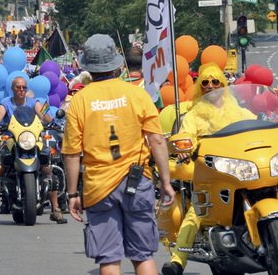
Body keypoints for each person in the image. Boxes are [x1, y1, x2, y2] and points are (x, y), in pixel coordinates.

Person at [62, 34, 174, 275]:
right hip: (137, 181)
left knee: (109, 259)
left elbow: (72, 153)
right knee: (142, 256)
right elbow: (156, 140)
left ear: (89, 68)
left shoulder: (80, 100)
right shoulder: (137, 95)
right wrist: (166, 182)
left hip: (99, 186)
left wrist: (72, 193)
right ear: (117, 64)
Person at [162, 63, 255, 275]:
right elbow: (185, 137)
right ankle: (178, 260)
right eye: (205, 82)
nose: (211, 86)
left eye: (215, 82)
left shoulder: (240, 111)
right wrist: (184, 149)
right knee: (198, 210)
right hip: (212, 175)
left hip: (244, 172)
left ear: (223, 84)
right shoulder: (194, 116)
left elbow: (259, 128)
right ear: (200, 87)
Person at [0, 76, 66, 225]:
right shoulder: (5, 103)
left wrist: (52, 121)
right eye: (18, 87)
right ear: (12, 89)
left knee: (48, 170)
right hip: (13, 140)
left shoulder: (34, 102)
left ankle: (56, 210)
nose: (21, 90)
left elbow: (44, 114)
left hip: (32, 140)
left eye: (24, 87)